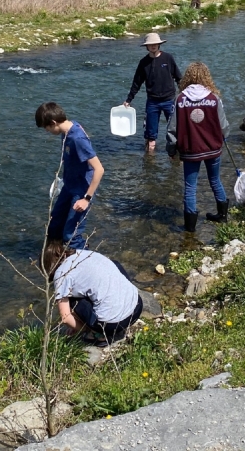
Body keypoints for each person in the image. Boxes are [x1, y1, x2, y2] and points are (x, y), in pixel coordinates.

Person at [166, 61, 229, 233]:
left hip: (190, 150)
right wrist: (223, 138)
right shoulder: (214, 98)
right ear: (206, 77)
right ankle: (222, 216)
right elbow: (224, 126)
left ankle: (190, 227)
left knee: (190, 187)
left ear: (187, 78)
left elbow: (172, 129)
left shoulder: (180, 100)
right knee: (215, 180)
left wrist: (171, 150)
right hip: (213, 148)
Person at [42, 241, 143, 347]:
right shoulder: (81, 253)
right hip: (137, 306)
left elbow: (65, 317)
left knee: (70, 300)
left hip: (114, 325)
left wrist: (82, 329)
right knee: (114, 264)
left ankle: (98, 335)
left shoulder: (61, 275)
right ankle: (124, 300)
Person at [35, 102, 104, 249]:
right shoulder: (67, 130)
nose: (47, 131)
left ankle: (82, 258)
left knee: (70, 236)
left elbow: (99, 169)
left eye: (46, 128)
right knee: (54, 225)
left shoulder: (77, 139)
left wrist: (86, 199)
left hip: (82, 191)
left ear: (53, 123)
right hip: (69, 186)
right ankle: (56, 258)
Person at [123, 32, 182, 152]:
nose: (153, 46)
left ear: (159, 44)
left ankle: (178, 161)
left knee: (176, 132)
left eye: (155, 44)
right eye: (151, 44)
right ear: (147, 46)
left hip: (169, 100)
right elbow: (136, 83)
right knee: (150, 137)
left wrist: (185, 93)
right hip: (152, 102)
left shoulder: (168, 58)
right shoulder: (143, 63)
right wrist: (129, 100)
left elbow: (178, 77)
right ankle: (150, 162)